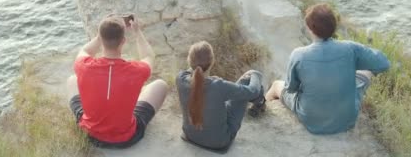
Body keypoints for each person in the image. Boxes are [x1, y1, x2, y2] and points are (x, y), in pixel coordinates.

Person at [265, 3, 390, 135]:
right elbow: (383, 64)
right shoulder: (350, 48)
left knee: (276, 85)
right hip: (346, 120)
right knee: (365, 71)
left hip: (312, 120)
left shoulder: (299, 55)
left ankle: (261, 113)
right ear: (334, 27)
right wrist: (363, 51)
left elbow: (291, 88)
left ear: (309, 28)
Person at [67, 15, 169, 148]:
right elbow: (148, 56)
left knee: (72, 79)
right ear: (123, 41)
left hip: (90, 134)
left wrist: (99, 36)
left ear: (101, 40)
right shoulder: (136, 71)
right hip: (125, 138)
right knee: (160, 85)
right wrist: (137, 32)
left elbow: (85, 50)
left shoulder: (83, 65)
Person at [176, 41, 266, 151]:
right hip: (219, 142)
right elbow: (253, 91)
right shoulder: (219, 86)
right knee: (247, 80)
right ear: (212, 61)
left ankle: (259, 102)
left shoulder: (180, 79)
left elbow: (192, 72)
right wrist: (256, 73)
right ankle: (259, 103)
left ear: (189, 60)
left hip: (190, 136)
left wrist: (212, 78)